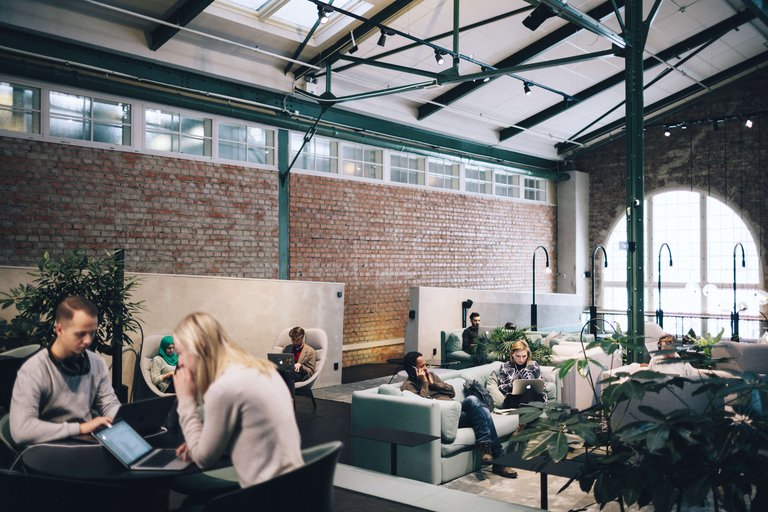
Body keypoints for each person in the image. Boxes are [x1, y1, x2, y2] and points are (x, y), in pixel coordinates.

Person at [173, 312, 302, 491]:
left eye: (180, 353)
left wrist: (185, 400)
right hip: (294, 488)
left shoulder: (223, 387)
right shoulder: (261, 368)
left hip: (262, 497)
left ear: (199, 347)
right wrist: (205, 440)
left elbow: (203, 459)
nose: (179, 362)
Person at [9, 296, 121, 445]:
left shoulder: (97, 363)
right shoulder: (33, 370)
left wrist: (127, 418)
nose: (88, 340)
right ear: (59, 329)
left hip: (84, 445)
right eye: (80, 334)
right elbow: (21, 431)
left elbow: (108, 405)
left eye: (92, 333)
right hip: (46, 451)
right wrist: (80, 428)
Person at [400, 351, 517, 478]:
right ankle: (498, 459)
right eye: (422, 366)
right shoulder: (408, 387)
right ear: (412, 369)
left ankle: (490, 452)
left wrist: (434, 383)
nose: (426, 368)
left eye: (426, 364)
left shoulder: (431, 375)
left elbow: (452, 393)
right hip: (445, 418)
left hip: (457, 411)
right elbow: (425, 406)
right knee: (473, 400)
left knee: (482, 411)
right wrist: (424, 383)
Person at [498, 339, 547, 409]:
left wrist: (530, 380)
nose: (521, 360)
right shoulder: (505, 367)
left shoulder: (533, 365)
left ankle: (527, 412)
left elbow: (542, 386)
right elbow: (501, 388)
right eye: (518, 356)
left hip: (532, 397)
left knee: (530, 392)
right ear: (512, 354)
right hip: (514, 398)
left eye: (524, 356)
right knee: (528, 397)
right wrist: (513, 382)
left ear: (528, 355)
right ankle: (528, 413)